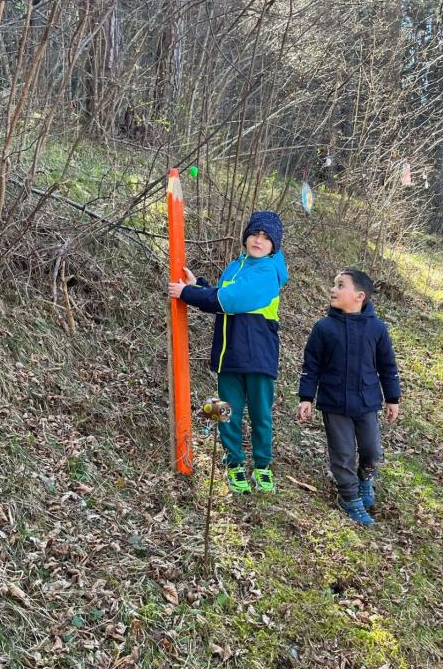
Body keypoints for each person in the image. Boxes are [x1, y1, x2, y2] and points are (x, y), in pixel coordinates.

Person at [168, 211, 288, 494]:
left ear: (274, 245)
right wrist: (197, 286)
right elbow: (223, 297)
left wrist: (187, 293)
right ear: (246, 236)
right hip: (229, 355)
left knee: (260, 415)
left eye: (266, 237)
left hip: (258, 358)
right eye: (255, 234)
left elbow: (229, 300)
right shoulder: (236, 266)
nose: (258, 240)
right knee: (225, 412)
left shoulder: (268, 272)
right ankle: (234, 463)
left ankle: (262, 466)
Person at [297, 269, 400, 525]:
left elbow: (388, 366)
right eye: (334, 285)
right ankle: (349, 497)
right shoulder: (324, 328)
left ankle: (365, 480)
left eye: (340, 285)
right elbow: (311, 365)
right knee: (342, 455)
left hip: (366, 402)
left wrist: (393, 398)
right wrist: (306, 397)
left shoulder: (377, 328)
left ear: (359, 296)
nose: (333, 289)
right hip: (334, 403)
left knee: (372, 451)